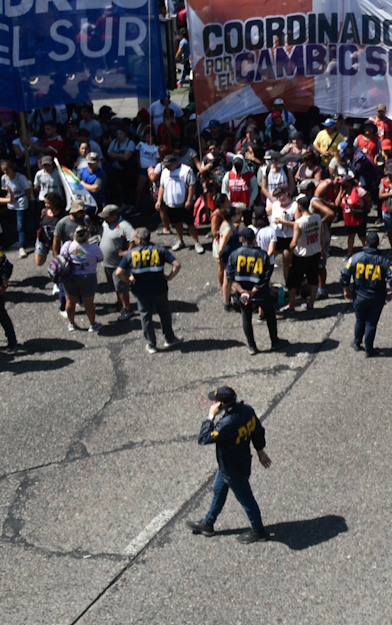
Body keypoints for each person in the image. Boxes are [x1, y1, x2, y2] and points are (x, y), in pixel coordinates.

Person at [188, 386, 272, 543]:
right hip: (235, 463)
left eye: (215, 401)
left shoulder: (227, 423)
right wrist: (260, 451)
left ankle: (259, 530)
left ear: (222, 404)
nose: (213, 404)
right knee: (218, 490)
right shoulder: (247, 410)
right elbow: (258, 430)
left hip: (234, 470)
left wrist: (210, 417)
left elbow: (204, 438)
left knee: (246, 499)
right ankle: (208, 523)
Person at [117, 227, 182, 354]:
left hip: (140, 290)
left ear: (139, 239)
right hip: (159, 288)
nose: (134, 240)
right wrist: (169, 277)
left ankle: (151, 345)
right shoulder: (160, 250)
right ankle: (170, 338)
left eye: (135, 238)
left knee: (145, 316)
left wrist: (128, 280)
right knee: (164, 313)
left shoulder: (131, 254)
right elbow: (177, 264)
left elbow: (119, 272)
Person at [227, 220, 283, 354]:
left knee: (246, 317)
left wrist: (242, 292)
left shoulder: (234, 255)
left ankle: (252, 346)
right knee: (269, 314)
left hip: (243, 293)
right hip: (260, 293)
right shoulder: (262, 255)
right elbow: (265, 277)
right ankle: (275, 341)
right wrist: (253, 291)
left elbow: (230, 277)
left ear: (242, 239)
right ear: (254, 239)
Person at [342, 229, 392, 356]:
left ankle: (357, 343)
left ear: (365, 242)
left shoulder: (355, 258)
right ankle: (369, 348)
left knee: (360, 320)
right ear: (377, 244)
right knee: (371, 323)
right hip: (377, 298)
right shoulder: (384, 261)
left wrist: (346, 290)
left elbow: (345, 274)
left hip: (359, 296)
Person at [153, 153, 203, 252]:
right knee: (177, 223)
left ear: (175, 163)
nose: (166, 167)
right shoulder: (165, 172)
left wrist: (189, 200)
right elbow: (162, 186)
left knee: (190, 223)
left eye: (168, 165)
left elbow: (192, 186)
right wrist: (159, 200)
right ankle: (180, 240)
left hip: (184, 203)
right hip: (170, 203)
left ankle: (196, 242)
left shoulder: (186, 170)